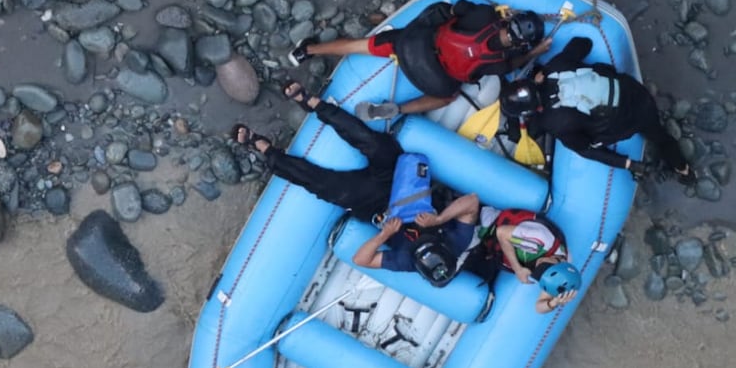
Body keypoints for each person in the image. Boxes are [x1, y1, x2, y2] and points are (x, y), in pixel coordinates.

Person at [288, 0, 552, 118]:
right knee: (451, 96)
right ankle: (399, 109)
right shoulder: (501, 62)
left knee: (361, 46)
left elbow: (457, 8)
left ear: (510, 20)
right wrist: (535, 53)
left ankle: (306, 52)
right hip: (433, 80)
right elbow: (516, 63)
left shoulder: (484, 16)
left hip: (411, 46)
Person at [499, 36, 697, 184]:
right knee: (660, 136)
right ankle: (684, 169)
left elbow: (588, 150)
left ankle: (679, 170)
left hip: (631, 120)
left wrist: (628, 164)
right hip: (636, 92)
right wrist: (549, 68)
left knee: (584, 143)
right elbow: (584, 43)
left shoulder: (552, 123)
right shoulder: (555, 67)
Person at [231, 81, 403, 222]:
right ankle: (315, 103)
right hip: (402, 173)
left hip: (380, 204)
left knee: (328, 187)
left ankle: (265, 149)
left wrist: (387, 232)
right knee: (374, 144)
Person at [461, 207, 581, 314]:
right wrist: (518, 269)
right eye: (544, 265)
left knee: (474, 279)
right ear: (557, 260)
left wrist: (553, 303)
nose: (539, 265)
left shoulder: (555, 275)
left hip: (491, 250)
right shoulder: (542, 241)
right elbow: (501, 232)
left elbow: (539, 307)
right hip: (488, 226)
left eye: (540, 270)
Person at [351, 192, 482, 288]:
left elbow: (360, 259)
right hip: (413, 195)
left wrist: (384, 235)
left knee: (347, 193)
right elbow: (472, 201)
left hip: (381, 209)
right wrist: (439, 219)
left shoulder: (405, 262)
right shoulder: (458, 241)